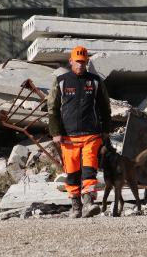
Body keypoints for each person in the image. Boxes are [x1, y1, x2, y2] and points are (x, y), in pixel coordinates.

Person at [47, 46, 112, 218]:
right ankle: (76, 206)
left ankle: (89, 202)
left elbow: (105, 108)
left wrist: (106, 130)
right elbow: (52, 109)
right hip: (68, 136)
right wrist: (55, 132)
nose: (80, 65)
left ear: (87, 61)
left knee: (89, 169)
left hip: (91, 135)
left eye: (83, 62)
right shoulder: (60, 81)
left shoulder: (95, 81)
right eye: (77, 61)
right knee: (72, 172)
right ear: (71, 61)